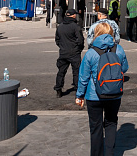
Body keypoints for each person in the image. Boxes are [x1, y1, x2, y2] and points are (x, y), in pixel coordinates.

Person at [76, 22, 128, 156]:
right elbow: (124, 68)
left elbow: (83, 77)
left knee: (96, 127)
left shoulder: (91, 52)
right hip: (114, 94)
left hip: (94, 95)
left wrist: (80, 95)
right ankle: (110, 153)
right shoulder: (119, 49)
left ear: (96, 33)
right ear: (111, 33)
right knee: (111, 123)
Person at [55, 9, 84, 97]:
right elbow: (80, 40)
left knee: (61, 71)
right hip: (74, 52)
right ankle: (77, 90)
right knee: (76, 72)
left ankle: (58, 89)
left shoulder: (60, 26)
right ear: (74, 15)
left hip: (63, 52)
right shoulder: (75, 26)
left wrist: (62, 47)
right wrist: (79, 49)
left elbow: (57, 40)